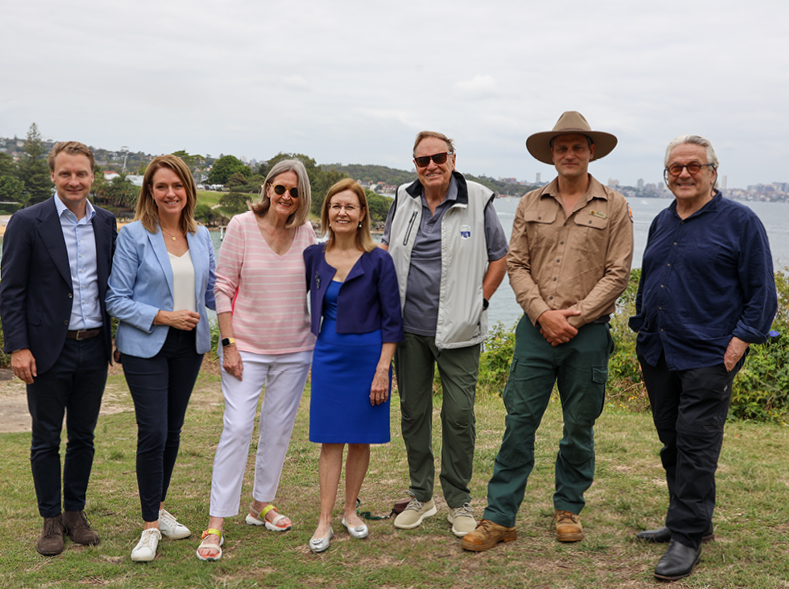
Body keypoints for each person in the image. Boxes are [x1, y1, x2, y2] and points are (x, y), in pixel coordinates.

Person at [462, 111, 634, 552]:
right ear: (552, 155)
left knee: (579, 426)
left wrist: (574, 318)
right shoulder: (529, 203)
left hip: (588, 335)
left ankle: (568, 508)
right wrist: (542, 315)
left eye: (578, 146)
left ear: (591, 152)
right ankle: (500, 517)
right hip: (535, 333)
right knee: (518, 424)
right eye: (562, 147)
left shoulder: (615, 205)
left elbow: (618, 273)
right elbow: (516, 264)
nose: (570, 154)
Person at [629, 135, 776, 581]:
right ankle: (689, 519)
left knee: (696, 443)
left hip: (710, 355)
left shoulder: (741, 221)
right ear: (667, 175)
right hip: (659, 351)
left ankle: (687, 537)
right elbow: (650, 279)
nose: (684, 173)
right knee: (673, 439)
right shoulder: (661, 220)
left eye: (694, 165)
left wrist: (740, 342)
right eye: (675, 167)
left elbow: (762, 291)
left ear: (713, 171)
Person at [381, 131, 508, 537]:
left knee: (458, 416)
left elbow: (499, 258)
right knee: (413, 414)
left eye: (439, 157)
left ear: (453, 158)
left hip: (459, 330)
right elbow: (386, 250)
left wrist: (479, 303)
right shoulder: (403, 198)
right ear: (414, 165)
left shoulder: (479, 199)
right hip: (409, 331)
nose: (431, 166)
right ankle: (422, 498)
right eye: (423, 160)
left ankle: (458, 501)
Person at [0, 141, 116, 556]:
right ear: (53, 175)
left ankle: (74, 513)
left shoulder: (105, 222)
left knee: (83, 437)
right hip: (48, 350)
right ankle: (50, 518)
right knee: (46, 438)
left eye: (81, 173)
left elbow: (112, 289)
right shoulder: (29, 222)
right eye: (65, 173)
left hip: (94, 348)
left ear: (92, 177)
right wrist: (18, 347)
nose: (73, 181)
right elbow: (10, 290)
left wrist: (116, 339)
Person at [196, 160, 315, 561]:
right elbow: (223, 286)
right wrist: (227, 342)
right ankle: (216, 522)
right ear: (267, 188)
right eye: (280, 188)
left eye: (294, 192)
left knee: (279, 429)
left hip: (296, 349)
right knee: (238, 427)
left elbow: (322, 286)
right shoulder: (241, 225)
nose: (285, 197)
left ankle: (260, 503)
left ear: (303, 197)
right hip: (245, 348)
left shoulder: (307, 232)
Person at [106, 154, 216, 562]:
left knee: (172, 431)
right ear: (150, 192)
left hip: (189, 348)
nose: (170, 193)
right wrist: (163, 316)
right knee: (152, 430)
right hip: (145, 346)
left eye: (177, 185)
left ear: (188, 189)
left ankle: (159, 507)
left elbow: (213, 293)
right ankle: (150, 527)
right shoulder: (134, 235)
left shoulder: (202, 236)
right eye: (161, 186)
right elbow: (115, 298)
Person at [303, 179, 403, 553]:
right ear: (327, 212)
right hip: (329, 355)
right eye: (335, 206)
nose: (342, 212)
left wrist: (383, 369)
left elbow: (393, 319)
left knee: (360, 437)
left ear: (363, 215)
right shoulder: (312, 255)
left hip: (369, 357)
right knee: (330, 439)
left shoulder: (380, 259)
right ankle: (325, 519)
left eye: (350, 207)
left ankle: (350, 511)